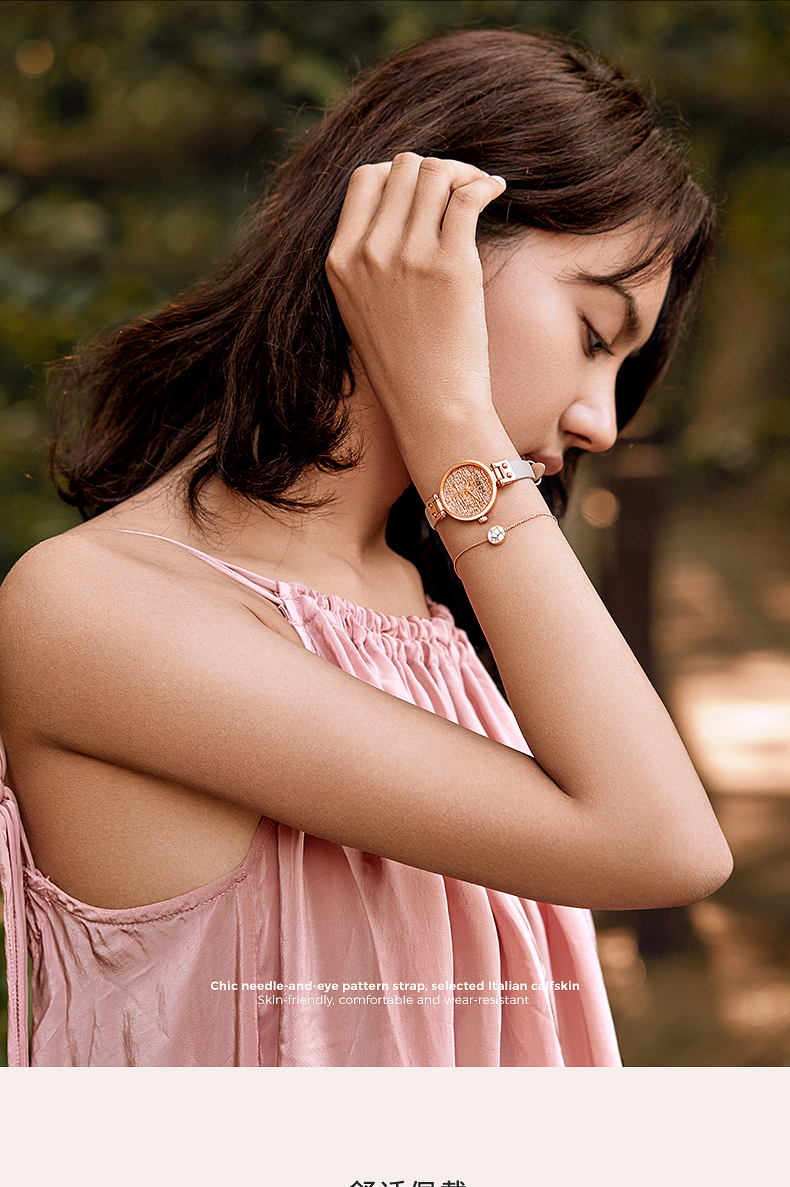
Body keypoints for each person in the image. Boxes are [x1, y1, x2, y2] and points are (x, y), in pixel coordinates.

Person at [0, 29, 732, 1067]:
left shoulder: (423, 597)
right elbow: (661, 844)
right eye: (593, 334)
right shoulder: (98, 608)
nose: (601, 423)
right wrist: (449, 414)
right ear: (430, 247)